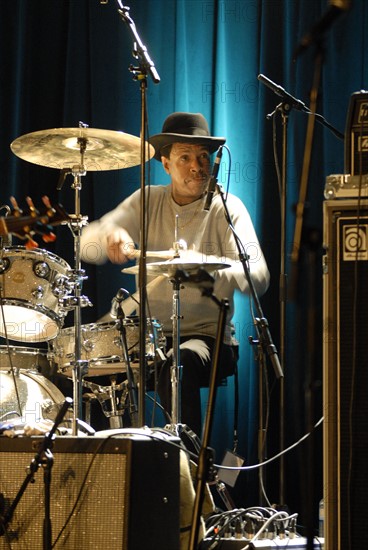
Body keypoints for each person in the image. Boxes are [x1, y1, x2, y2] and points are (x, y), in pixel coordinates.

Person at [80, 112, 270, 437]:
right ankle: (117, 463)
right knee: (89, 370)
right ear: (166, 164)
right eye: (185, 157)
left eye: (203, 157)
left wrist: (207, 268)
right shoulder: (148, 200)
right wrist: (110, 235)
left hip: (207, 338)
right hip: (151, 340)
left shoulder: (228, 207)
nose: (197, 166)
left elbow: (260, 276)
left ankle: (186, 467)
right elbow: (87, 242)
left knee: (177, 365)